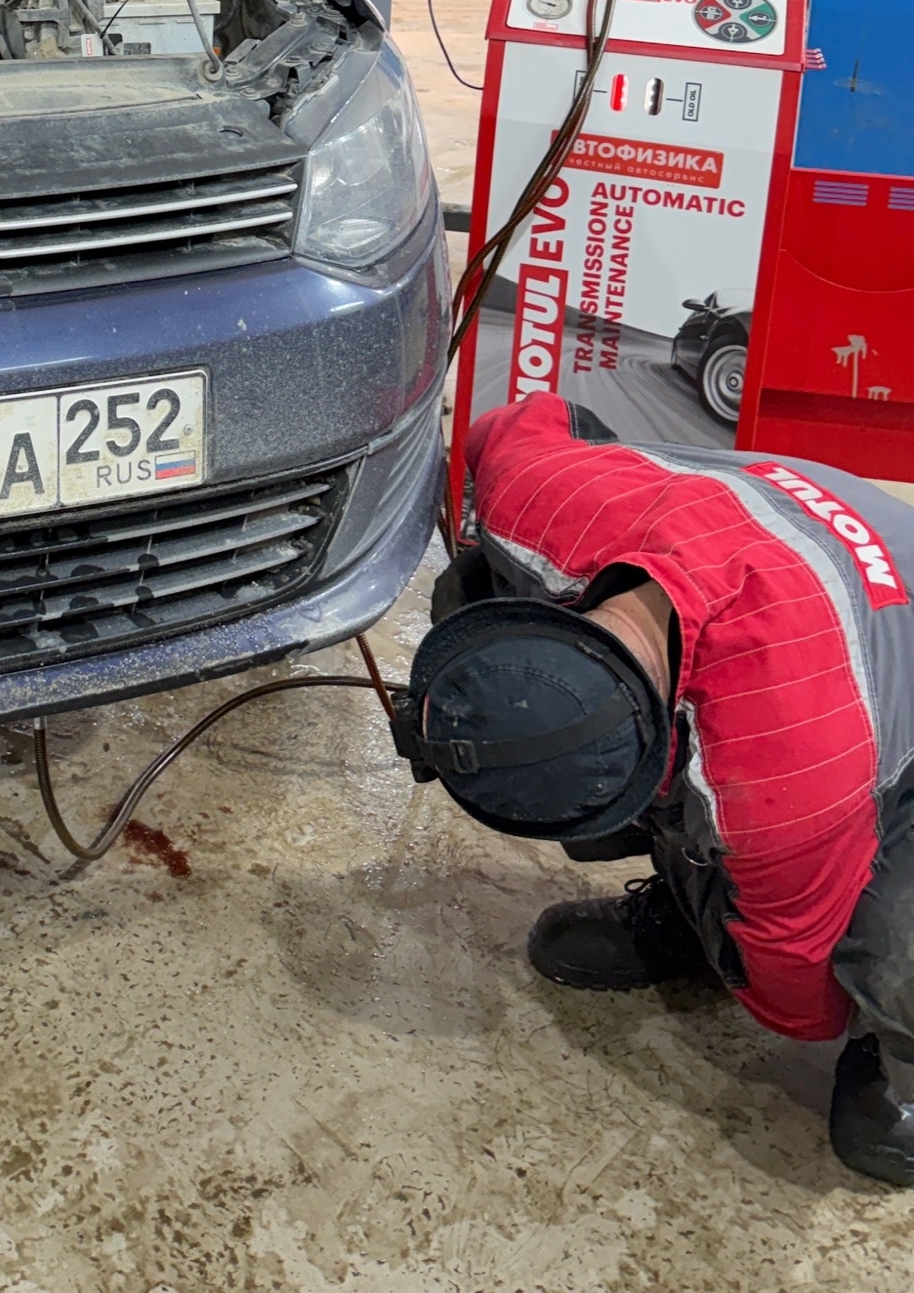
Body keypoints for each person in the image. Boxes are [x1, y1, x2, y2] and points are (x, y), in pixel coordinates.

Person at [392, 392, 914, 1183]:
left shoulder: (780, 770)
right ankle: (692, 901)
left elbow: (797, 995)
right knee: (468, 589)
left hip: (856, 686)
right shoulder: (536, 496)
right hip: (814, 540)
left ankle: (894, 1065)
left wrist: (726, 927)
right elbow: (527, 418)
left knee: (892, 951)